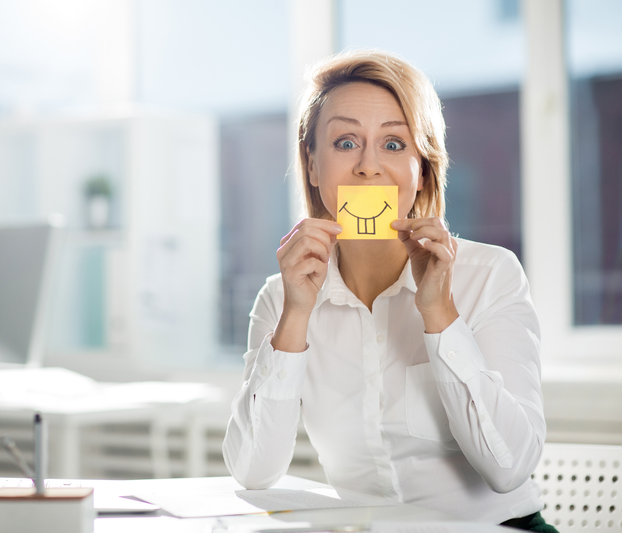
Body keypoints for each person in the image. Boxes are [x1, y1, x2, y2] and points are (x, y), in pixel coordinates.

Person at [222, 50, 555, 532]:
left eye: (394, 144)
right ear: (313, 167)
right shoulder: (280, 298)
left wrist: (440, 313)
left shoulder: (490, 275)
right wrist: (295, 317)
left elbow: (510, 469)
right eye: (345, 141)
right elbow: (254, 470)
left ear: (422, 169)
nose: (368, 166)